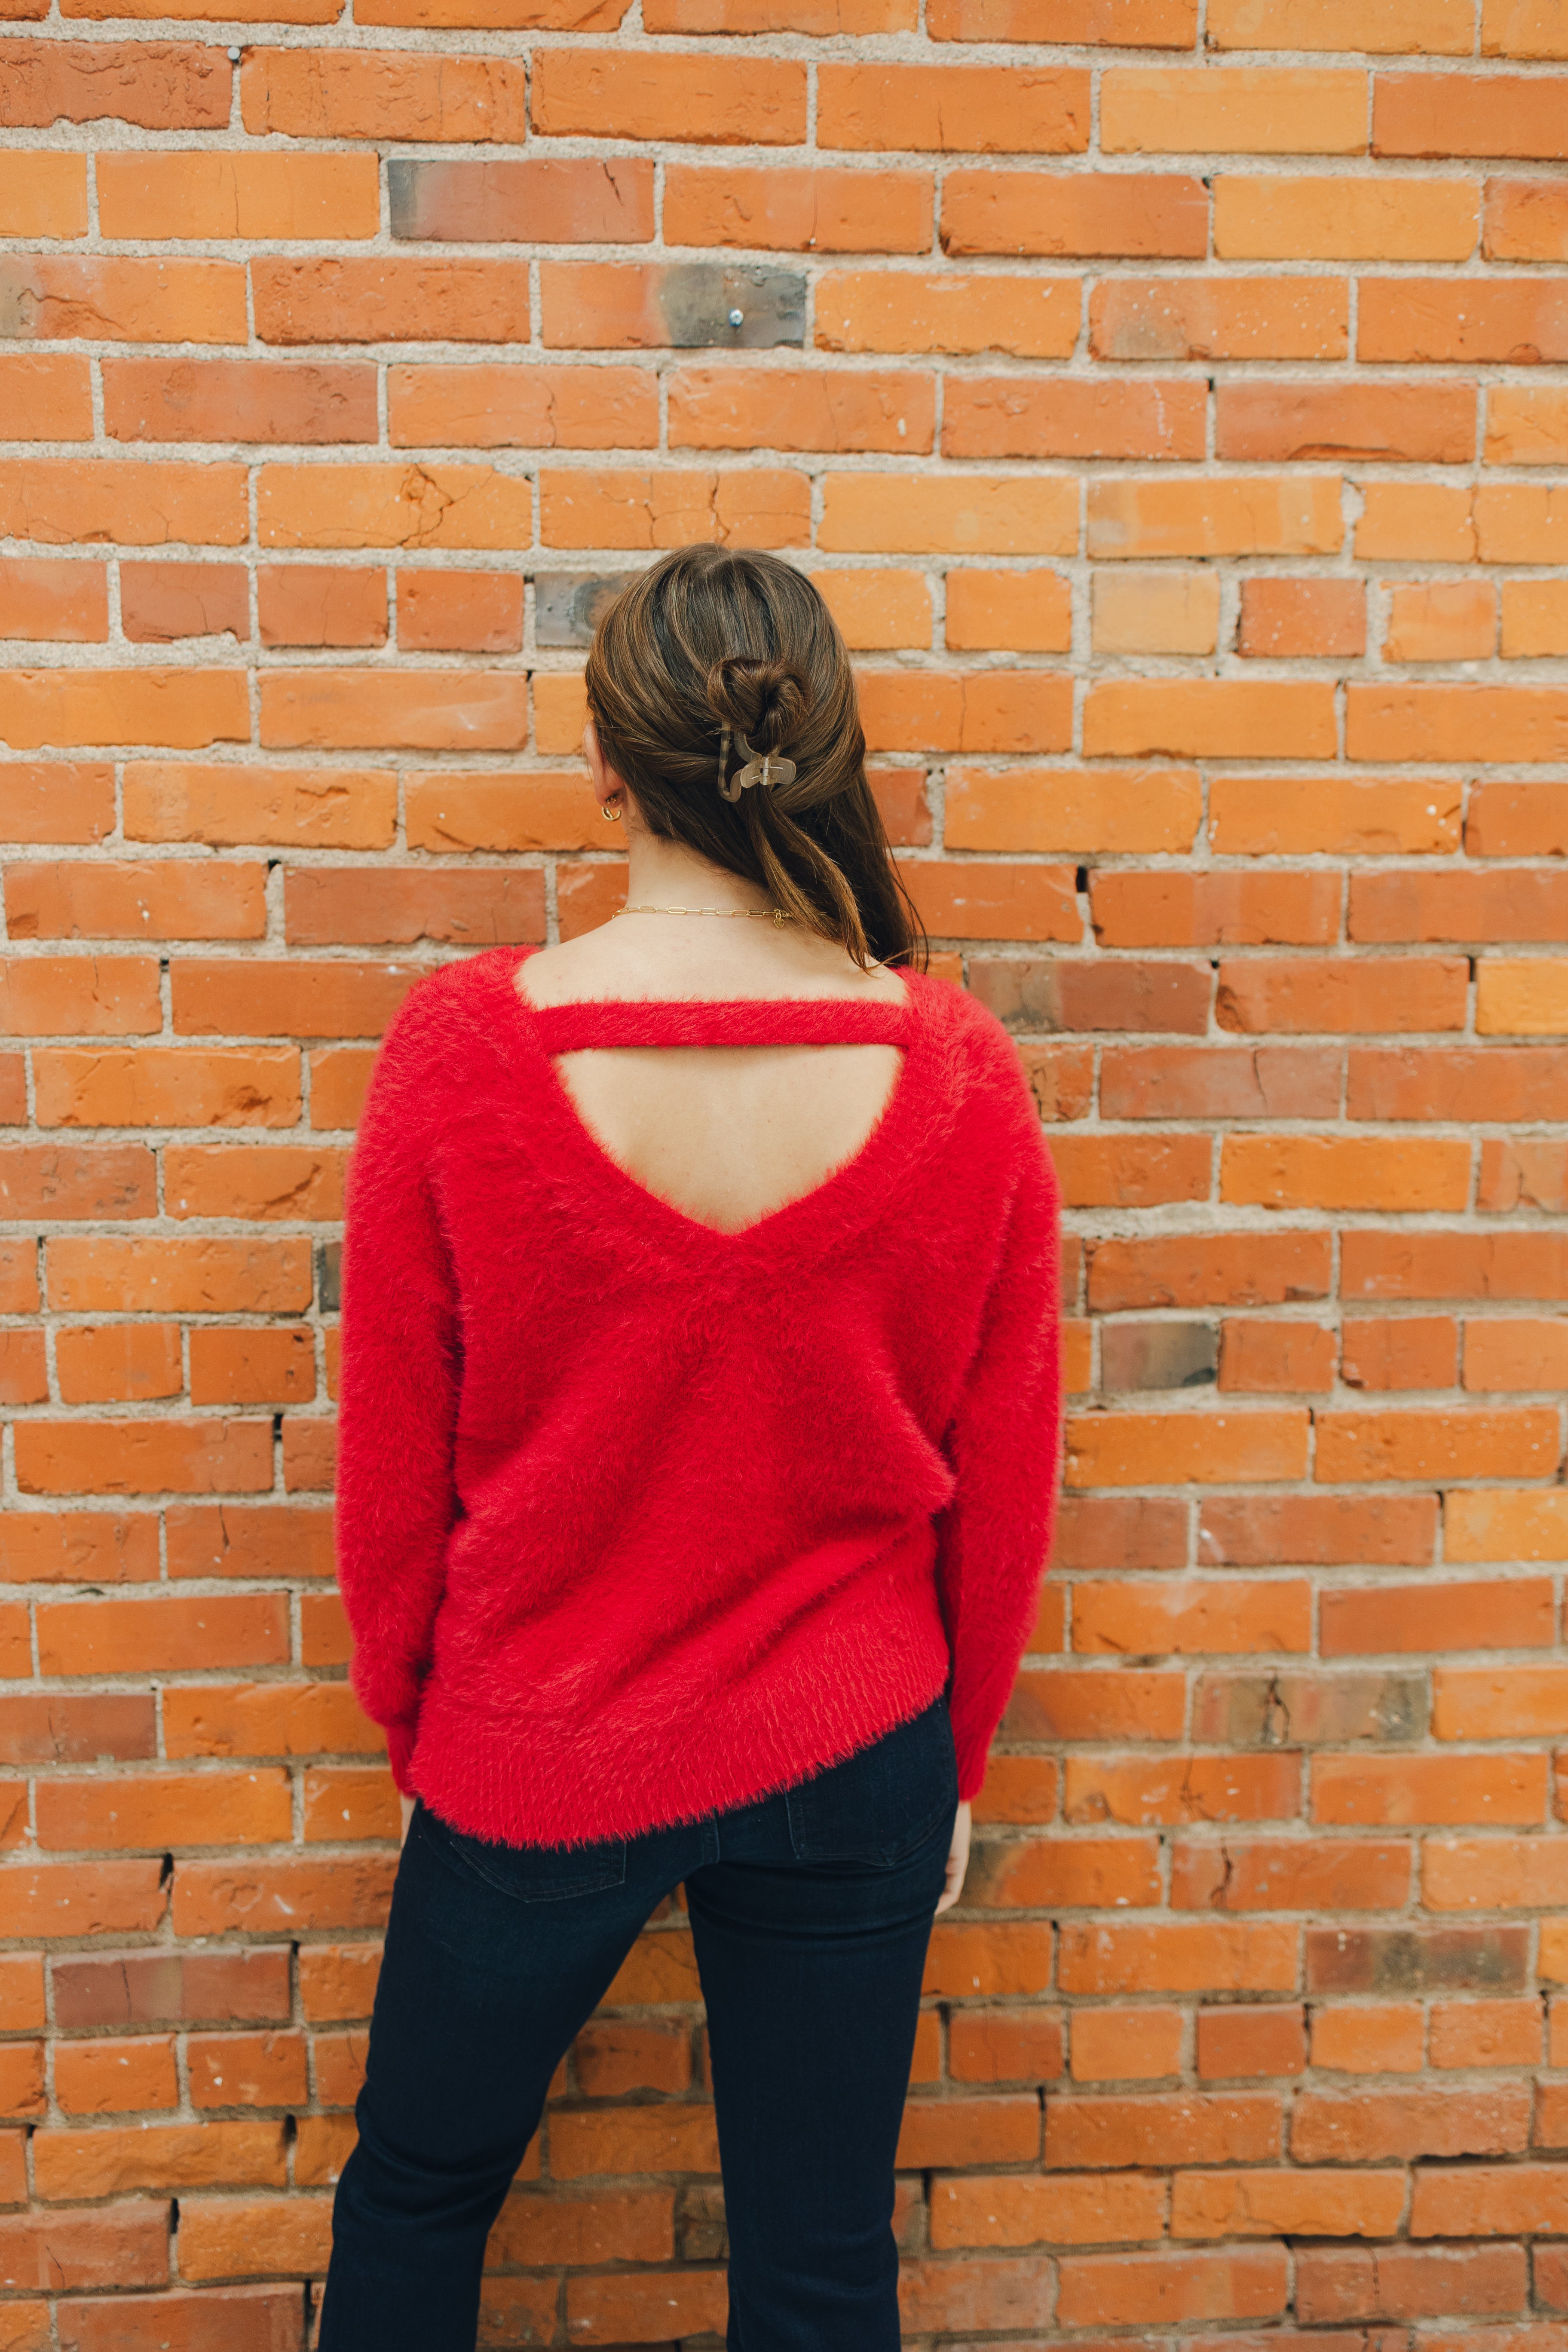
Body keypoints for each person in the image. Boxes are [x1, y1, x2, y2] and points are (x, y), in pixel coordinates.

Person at [320, 544, 1063, 2351]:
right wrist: (950, 1759)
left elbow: (390, 1458)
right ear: (825, 748)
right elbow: (1010, 1467)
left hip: (539, 1735)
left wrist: (426, 1724)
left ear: (601, 754)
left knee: (418, 2193)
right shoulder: (957, 1072)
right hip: (857, 1742)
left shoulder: (465, 1050)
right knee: (819, 2263)